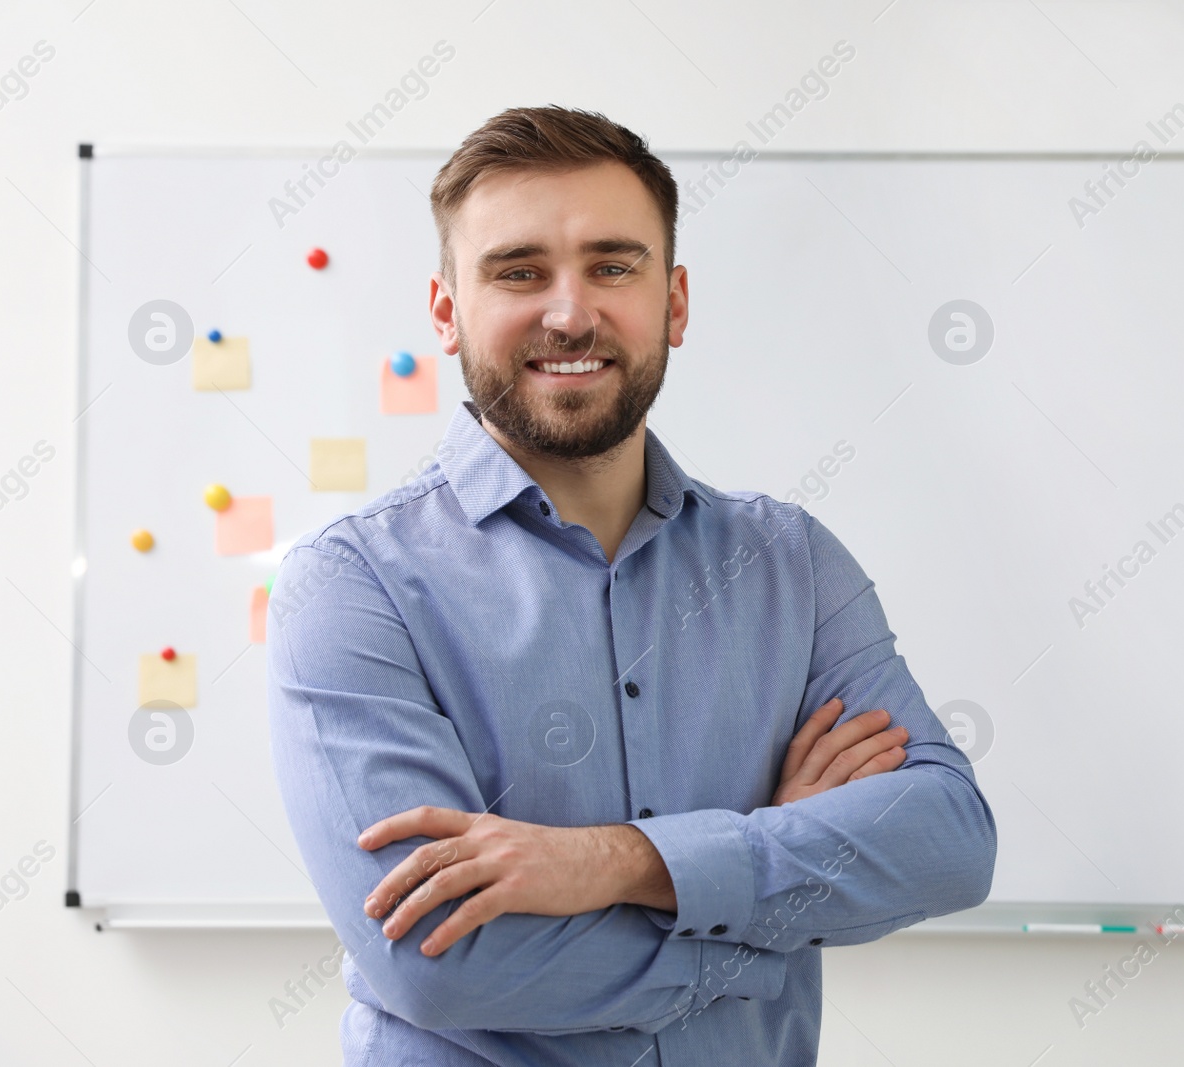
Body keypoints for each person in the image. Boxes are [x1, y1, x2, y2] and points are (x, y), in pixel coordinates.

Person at [267, 105, 996, 1066]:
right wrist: (765, 902)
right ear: (446, 311)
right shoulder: (350, 586)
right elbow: (441, 961)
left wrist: (618, 861)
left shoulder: (791, 562)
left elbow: (947, 839)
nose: (570, 312)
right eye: (519, 271)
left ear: (675, 301)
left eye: (614, 266)